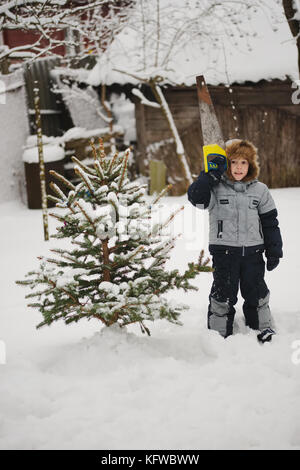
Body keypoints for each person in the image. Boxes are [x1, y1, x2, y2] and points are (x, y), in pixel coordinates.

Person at [187, 139, 283, 343]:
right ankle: (218, 334)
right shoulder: (215, 187)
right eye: (234, 162)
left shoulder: (260, 190)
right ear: (226, 164)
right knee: (223, 294)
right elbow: (197, 199)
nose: (239, 167)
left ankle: (261, 328)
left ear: (251, 165)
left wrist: (274, 250)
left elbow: (270, 222)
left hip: (253, 254)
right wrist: (206, 178)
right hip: (225, 254)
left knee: (257, 293)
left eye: (244, 162)